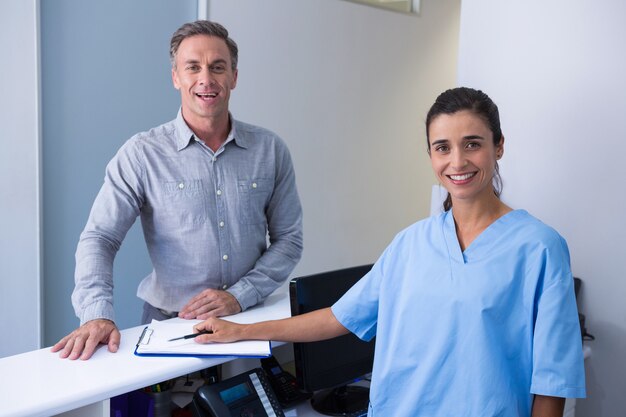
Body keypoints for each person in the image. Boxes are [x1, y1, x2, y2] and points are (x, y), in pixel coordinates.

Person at [192, 87, 586, 416]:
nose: (457, 161)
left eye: (473, 144)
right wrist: (242, 331)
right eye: (442, 147)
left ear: (498, 147)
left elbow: (552, 379)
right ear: (431, 156)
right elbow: (339, 318)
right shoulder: (411, 243)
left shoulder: (540, 248)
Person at [51, 20, 303, 361]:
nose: (206, 79)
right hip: (170, 326)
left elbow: (289, 239)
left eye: (218, 67)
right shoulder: (141, 154)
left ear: (234, 77)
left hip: (250, 319)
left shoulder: (270, 150)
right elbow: (100, 237)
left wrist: (241, 294)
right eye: (193, 67)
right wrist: (96, 312)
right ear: (176, 77)